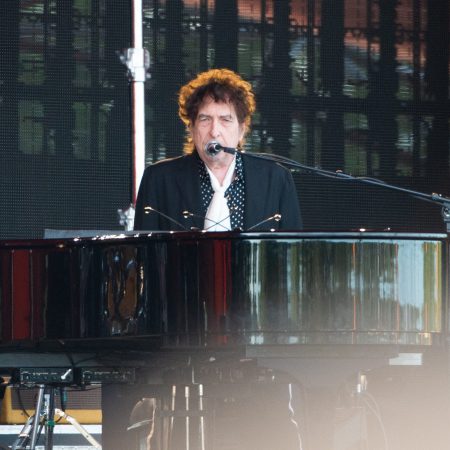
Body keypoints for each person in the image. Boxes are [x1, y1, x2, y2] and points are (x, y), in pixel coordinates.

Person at [134, 68, 302, 232]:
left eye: (225, 120)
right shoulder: (159, 179)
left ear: (242, 130)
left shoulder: (277, 179)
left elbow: (292, 252)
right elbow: (143, 254)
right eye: (205, 119)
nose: (214, 131)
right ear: (191, 128)